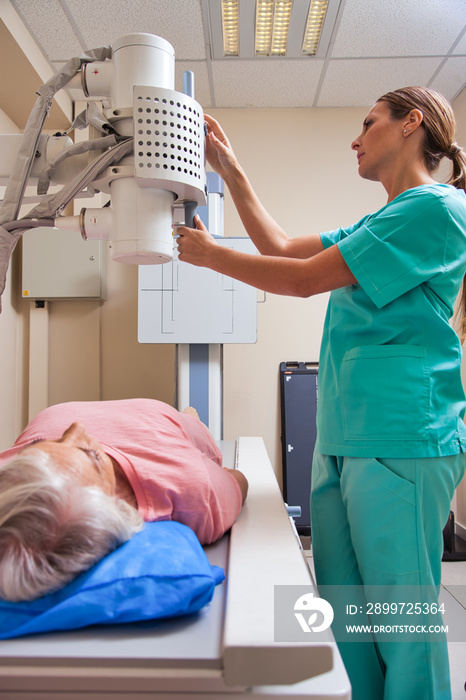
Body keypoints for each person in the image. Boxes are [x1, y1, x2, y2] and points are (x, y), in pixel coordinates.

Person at [176, 87, 466, 700]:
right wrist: (230, 169)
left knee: (403, 622)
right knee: (348, 621)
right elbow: (280, 249)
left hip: (401, 439)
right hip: (343, 437)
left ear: (412, 123)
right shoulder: (379, 221)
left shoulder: (436, 210)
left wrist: (209, 258)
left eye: (368, 123)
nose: (355, 138)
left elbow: (304, 280)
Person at [0, 398, 248, 603]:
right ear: (114, 508)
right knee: (194, 427)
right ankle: (189, 418)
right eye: (90, 454)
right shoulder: (193, 488)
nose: (77, 429)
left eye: (39, 445)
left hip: (54, 416)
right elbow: (239, 480)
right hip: (156, 418)